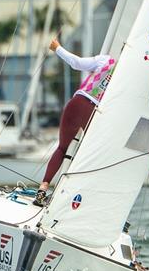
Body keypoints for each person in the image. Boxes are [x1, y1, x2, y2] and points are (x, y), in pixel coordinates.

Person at [34, 37, 117, 206]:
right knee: (88, 154)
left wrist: (57, 48)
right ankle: (71, 196)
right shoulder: (126, 78)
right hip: (94, 112)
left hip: (78, 102)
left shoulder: (107, 60)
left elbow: (77, 63)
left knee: (62, 148)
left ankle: (43, 189)